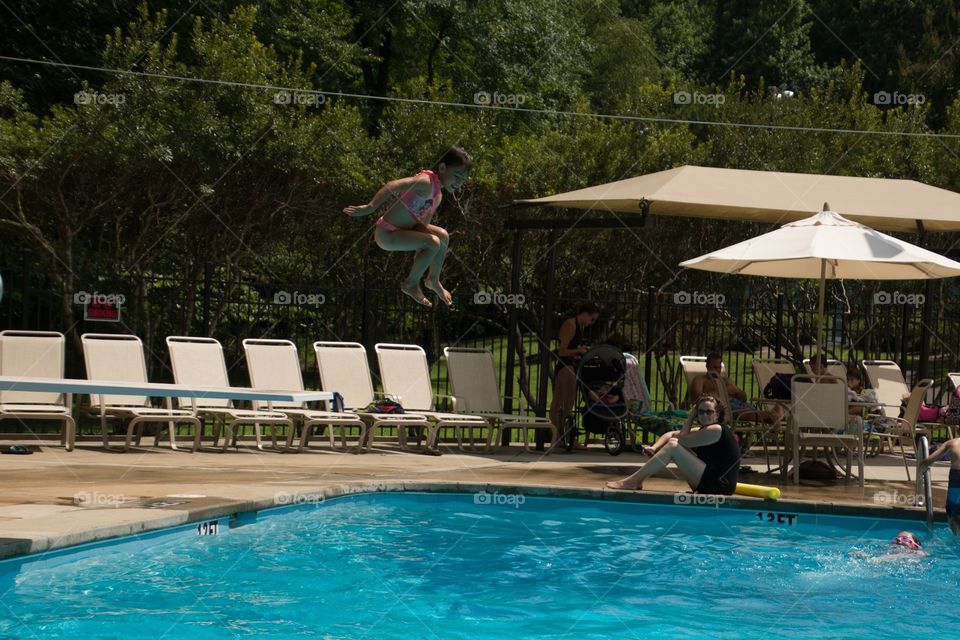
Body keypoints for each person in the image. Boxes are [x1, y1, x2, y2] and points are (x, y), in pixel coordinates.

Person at [343, 147, 471, 307]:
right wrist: (370, 207)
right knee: (434, 243)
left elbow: (422, 225)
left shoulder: (437, 195)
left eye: (463, 179)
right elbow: (393, 185)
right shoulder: (426, 182)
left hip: (405, 230)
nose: (459, 183)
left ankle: (433, 280)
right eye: (457, 176)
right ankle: (411, 284)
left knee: (442, 237)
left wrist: (424, 250)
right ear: (443, 168)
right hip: (387, 234)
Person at [605, 395, 740, 494]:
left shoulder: (716, 430)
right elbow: (671, 434)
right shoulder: (705, 430)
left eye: (709, 412)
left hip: (718, 487)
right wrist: (654, 447)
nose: (704, 415)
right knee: (673, 443)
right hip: (709, 482)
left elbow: (682, 440)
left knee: (674, 446)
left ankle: (633, 481)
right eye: (700, 411)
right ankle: (635, 481)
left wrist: (691, 416)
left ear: (717, 415)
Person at [549, 301, 601, 448]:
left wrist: (579, 348)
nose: (592, 322)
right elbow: (562, 351)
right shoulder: (571, 325)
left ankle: (559, 437)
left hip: (569, 365)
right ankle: (565, 436)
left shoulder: (579, 326)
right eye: (592, 319)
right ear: (585, 314)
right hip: (565, 366)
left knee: (560, 401)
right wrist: (579, 351)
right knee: (565, 402)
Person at [690, 352, 781, 423]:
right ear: (707, 366)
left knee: (748, 410)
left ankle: (771, 417)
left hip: (737, 403)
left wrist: (736, 391)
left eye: (719, 367)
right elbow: (696, 398)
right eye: (714, 367)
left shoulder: (725, 380)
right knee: (744, 413)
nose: (717, 370)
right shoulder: (701, 379)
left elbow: (744, 398)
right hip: (723, 406)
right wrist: (714, 396)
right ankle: (771, 415)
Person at [919, 438, 960, 535]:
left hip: (957, 477)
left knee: (953, 513)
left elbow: (928, 460)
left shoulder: (952, 442)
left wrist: (920, 472)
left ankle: (955, 536)